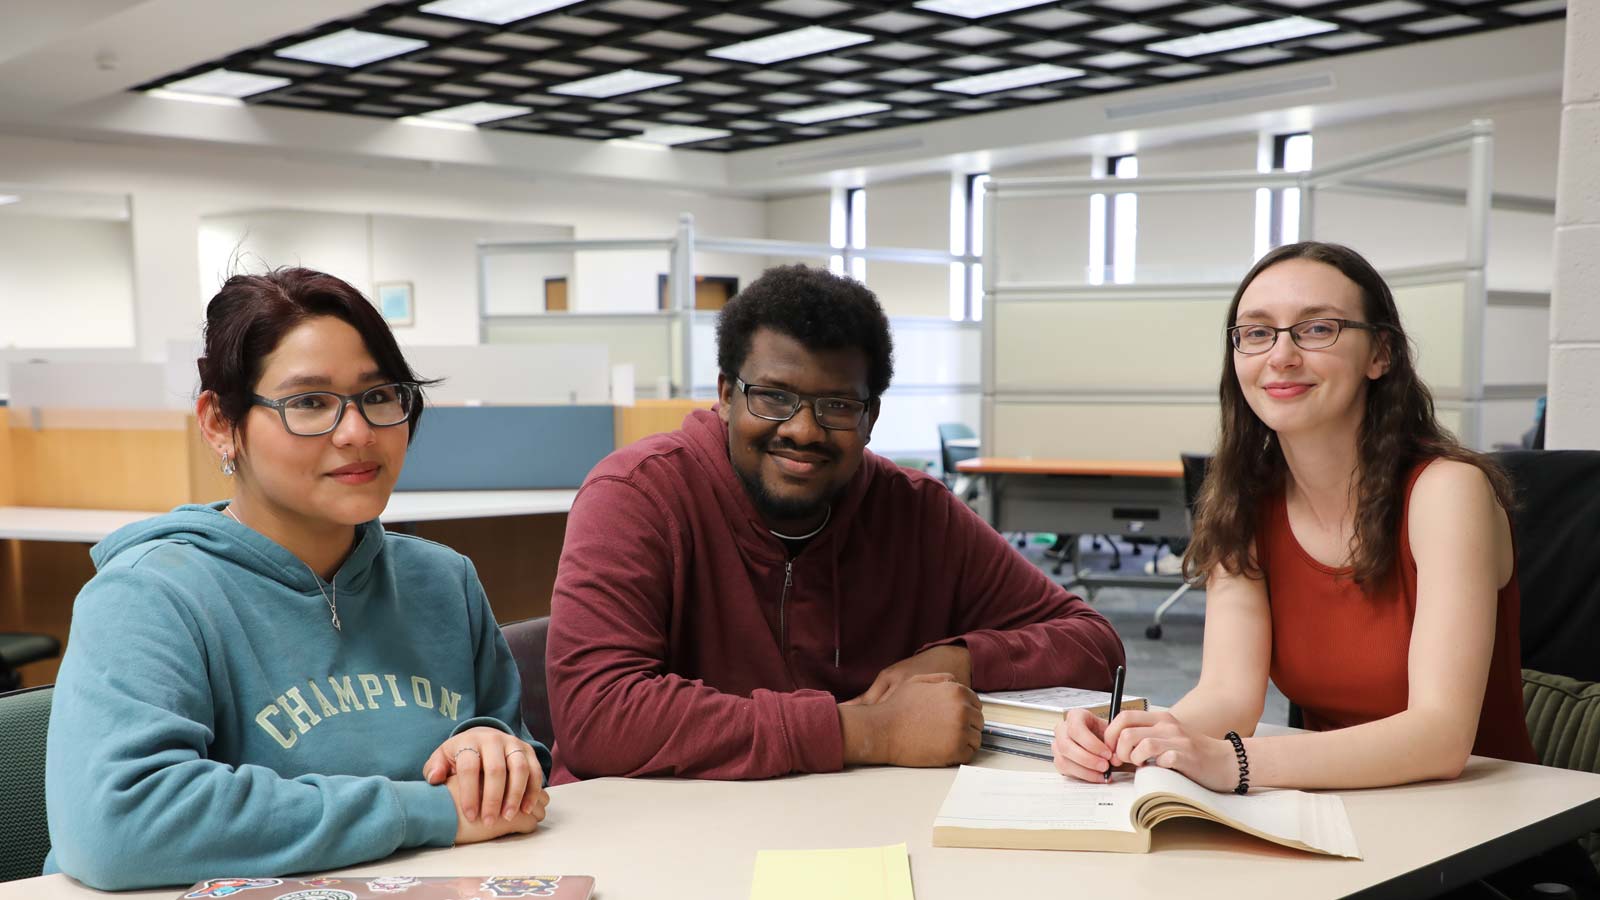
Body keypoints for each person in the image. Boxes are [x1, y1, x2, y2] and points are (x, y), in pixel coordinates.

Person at [1051, 241, 1598, 896]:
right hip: (1330, 823)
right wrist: (1135, 740)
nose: (1281, 354)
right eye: (1256, 333)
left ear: (1380, 354)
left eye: (1317, 328)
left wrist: (1235, 763)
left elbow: (1439, 737)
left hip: (1485, 853)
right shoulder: (1244, 504)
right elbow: (1229, 695)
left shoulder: (1445, 492)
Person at [45, 268, 550, 890]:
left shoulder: (442, 580)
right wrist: (426, 811)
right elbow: (118, 827)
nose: (358, 433)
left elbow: (514, 764)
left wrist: (493, 753)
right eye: (308, 402)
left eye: (379, 395)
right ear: (218, 423)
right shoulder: (150, 595)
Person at [547, 264, 1124, 784]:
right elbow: (596, 715)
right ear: (725, 396)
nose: (802, 430)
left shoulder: (915, 512)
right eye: (773, 397)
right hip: (656, 842)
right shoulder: (638, 496)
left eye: (838, 406)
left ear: (870, 416)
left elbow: (1095, 644)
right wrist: (867, 731)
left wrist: (960, 659)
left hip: (854, 833)